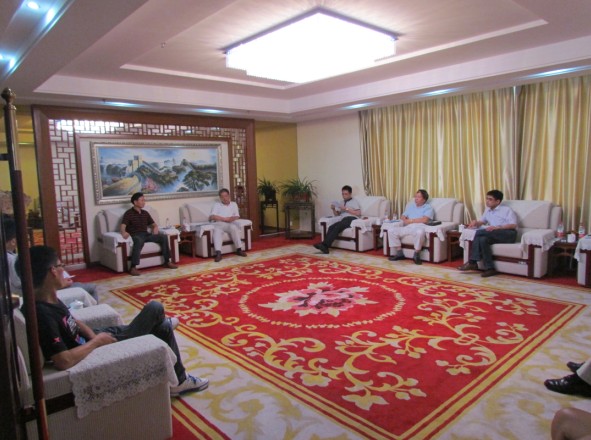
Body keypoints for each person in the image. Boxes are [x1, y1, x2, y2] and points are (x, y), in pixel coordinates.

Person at [22, 245, 208, 397]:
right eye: (61, 265)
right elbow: (63, 360)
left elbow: (73, 321)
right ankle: (178, 376)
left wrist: (92, 335)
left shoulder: (49, 297)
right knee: (155, 308)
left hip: (94, 338)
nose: (65, 270)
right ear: (53, 271)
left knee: (161, 324)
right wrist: (96, 342)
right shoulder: (42, 313)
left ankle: (176, 370)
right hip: (92, 350)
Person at [3, 216, 101, 301]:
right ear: (13, 241)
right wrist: (60, 283)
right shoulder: (13, 261)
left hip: (38, 291)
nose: (26, 238)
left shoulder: (7, 257)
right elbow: (32, 285)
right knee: (91, 288)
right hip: (44, 292)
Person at [457, 189, 517, 277]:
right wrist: (475, 223)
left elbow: (513, 225)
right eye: (487, 199)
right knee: (482, 239)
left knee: (479, 233)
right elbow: (482, 221)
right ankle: (490, 268)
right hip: (495, 233)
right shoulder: (488, 210)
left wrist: (498, 227)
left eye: (490, 199)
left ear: (498, 201)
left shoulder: (506, 210)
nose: (487, 201)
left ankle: (472, 262)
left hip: (508, 233)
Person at [120, 192, 178, 276]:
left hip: (146, 235)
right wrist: (123, 232)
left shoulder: (145, 213)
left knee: (163, 237)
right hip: (136, 235)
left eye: (144, 200)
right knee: (138, 240)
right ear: (135, 202)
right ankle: (133, 267)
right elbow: (123, 225)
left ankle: (167, 262)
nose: (144, 202)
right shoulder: (128, 213)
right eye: (142, 200)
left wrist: (155, 227)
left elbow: (153, 224)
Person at [386, 189, 434, 265]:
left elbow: (425, 219)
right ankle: (399, 253)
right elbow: (402, 216)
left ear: (424, 199)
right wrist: (405, 220)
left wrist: (411, 220)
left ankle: (416, 254)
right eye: (415, 196)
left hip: (419, 227)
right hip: (408, 227)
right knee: (391, 230)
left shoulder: (428, 208)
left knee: (420, 232)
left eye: (419, 197)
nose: (416, 198)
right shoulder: (411, 206)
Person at [313, 185, 361, 254]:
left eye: (346, 194)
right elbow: (337, 214)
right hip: (343, 219)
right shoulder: (342, 202)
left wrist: (346, 208)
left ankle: (324, 245)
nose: (344, 196)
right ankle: (324, 246)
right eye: (343, 194)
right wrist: (333, 209)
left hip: (351, 218)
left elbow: (358, 213)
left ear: (350, 194)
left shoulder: (354, 201)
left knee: (338, 226)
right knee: (331, 227)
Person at [209, 188, 248, 262]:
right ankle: (218, 253)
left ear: (229, 196)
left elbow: (237, 216)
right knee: (217, 231)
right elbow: (212, 216)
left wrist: (230, 219)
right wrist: (224, 219)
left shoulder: (234, 204)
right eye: (222, 197)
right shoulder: (217, 205)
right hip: (219, 223)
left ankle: (239, 249)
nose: (224, 198)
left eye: (226, 196)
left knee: (234, 228)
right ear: (220, 198)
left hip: (230, 223)